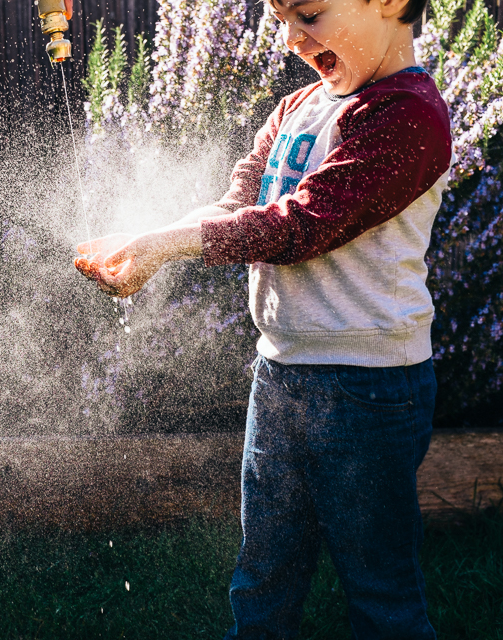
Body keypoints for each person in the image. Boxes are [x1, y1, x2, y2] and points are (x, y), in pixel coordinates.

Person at [76, 0, 451, 637]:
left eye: (308, 13)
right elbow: (236, 207)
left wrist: (167, 246)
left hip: (369, 386)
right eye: (281, 19)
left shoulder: (409, 116)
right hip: (279, 372)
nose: (291, 39)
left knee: (381, 589)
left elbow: (303, 224)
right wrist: (148, 242)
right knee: (263, 573)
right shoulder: (296, 109)